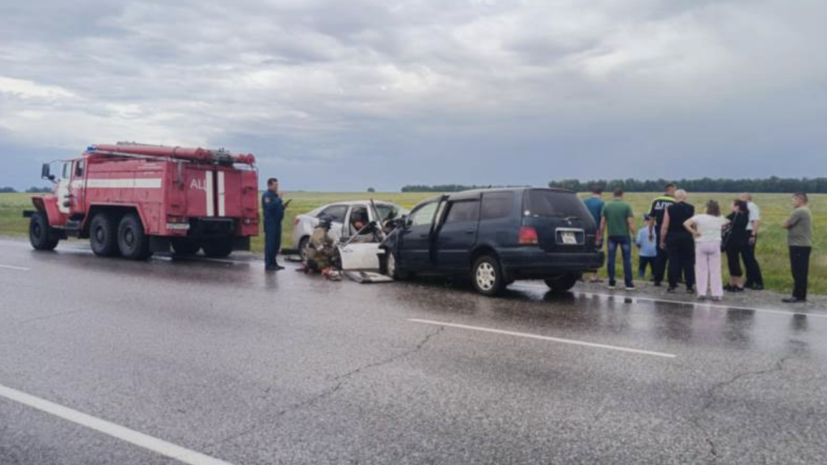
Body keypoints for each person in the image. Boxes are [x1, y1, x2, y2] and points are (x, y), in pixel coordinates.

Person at [684, 200, 729, 301]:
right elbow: (728, 223)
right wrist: (720, 229)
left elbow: (686, 223)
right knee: (715, 270)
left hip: (701, 243)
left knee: (701, 269)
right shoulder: (720, 218)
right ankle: (716, 294)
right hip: (715, 244)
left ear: (707, 208)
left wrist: (694, 232)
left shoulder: (699, 217)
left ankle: (701, 293)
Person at [599, 188, 636, 291]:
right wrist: (634, 234)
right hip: (624, 236)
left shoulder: (607, 205)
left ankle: (611, 282)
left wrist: (601, 235)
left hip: (612, 236)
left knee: (611, 259)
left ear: (613, 194)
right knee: (626, 260)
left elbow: (602, 223)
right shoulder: (626, 206)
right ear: (622, 194)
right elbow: (630, 222)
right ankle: (628, 283)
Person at [660, 189, 696, 293]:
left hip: (673, 237)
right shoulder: (691, 208)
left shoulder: (669, 209)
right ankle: (689, 286)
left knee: (673, 261)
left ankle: (672, 285)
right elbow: (694, 224)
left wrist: (662, 240)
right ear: (685, 197)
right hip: (687, 237)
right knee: (688, 262)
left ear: (675, 198)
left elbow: (665, 226)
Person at [783, 193, 813, 303]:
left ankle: (797, 295)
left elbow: (786, 225)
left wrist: (786, 221)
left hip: (798, 245)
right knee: (801, 271)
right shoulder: (805, 210)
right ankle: (801, 295)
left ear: (800, 200)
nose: (792, 202)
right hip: (802, 245)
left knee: (798, 271)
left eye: (794, 200)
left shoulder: (799, 211)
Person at [648, 183, 677, 286]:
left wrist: (650, 232)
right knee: (672, 256)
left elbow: (651, 218)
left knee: (660, 255)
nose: (675, 192)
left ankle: (657, 279)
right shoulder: (675, 201)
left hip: (659, 228)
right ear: (671, 190)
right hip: (672, 230)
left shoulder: (656, 201)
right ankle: (673, 280)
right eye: (675, 190)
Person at [302, 215, 341, 280]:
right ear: (326, 224)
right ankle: (311, 265)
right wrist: (324, 251)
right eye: (329, 224)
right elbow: (316, 241)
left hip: (315, 255)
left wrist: (335, 242)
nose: (330, 226)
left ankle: (312, 266)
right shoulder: (320, 231)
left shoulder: (322, 231)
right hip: (314, 256)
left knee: (328, 258)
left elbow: (329, 240)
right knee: (326, 264)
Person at [724, 200, 750, 292]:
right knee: (732, 261)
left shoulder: (738, 216)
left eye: (732, 205)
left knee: (734, 262)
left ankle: (739, 284)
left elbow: (724, 222)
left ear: (737, 206)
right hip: (737, 241)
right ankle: (733, 283)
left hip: (734, 242)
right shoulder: (744, 215)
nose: (731, 207)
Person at [739, 193, 764, 290]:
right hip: (744, 232)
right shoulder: (746, 207)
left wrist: (753, 234)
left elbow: (756, 221)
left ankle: (758, 282)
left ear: (746, 198)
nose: (739, 199)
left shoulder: (752, 206)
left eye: (740, 197)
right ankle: (750, 280)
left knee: (750, 258)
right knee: (746, 257)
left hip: (749, 232)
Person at [262, 178, 286, 271]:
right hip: (270, 223)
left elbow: (277, 207)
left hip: (277, 223)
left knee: (276, 244)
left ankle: (274, 263)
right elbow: (269, 207)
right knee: (270, 244)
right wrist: (279, 199)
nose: (277, 187)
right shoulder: (267, 196)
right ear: (269, 185)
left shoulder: (275, 195)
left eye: (277, 185)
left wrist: (282, 207)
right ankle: (268, 264)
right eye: (275, 185)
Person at [583, 186, 605, 283]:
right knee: (595, 250)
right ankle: (593, 276)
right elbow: (602, 219)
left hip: (584, 229)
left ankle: (580, 274)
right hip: (595, 230)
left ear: (592, 192)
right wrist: (601, 232)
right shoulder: (601, 203)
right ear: (600, 193)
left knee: (583, 250)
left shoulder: (585, 202)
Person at [635, 214, 657, 279]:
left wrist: (638, 246)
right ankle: (653, 276)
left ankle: (641, 277)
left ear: (647, 221)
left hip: (643, 253)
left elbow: (638, 242)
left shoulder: (641, 231)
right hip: (654, 253)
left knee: (642, 267)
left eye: (644, 220)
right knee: (654, 268)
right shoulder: (656, 230)